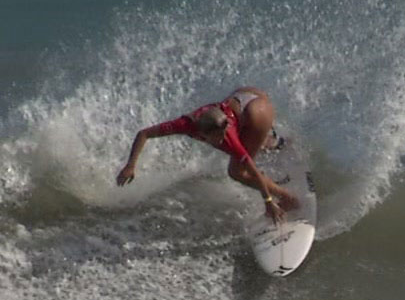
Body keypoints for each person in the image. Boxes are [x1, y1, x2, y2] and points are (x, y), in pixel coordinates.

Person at [116, 87, 297, 222]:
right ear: (203, 135)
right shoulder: (184, 124)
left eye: (224, 136)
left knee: (237, 172)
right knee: (248, 144)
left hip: (257, 110)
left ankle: (287, 198)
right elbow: (144, 134)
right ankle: (275, 143)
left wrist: (268, 201)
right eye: (218, 139)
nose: (222, 141)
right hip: (246, 96)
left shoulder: (228, 138)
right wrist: (131, 165)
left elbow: (253, 171)